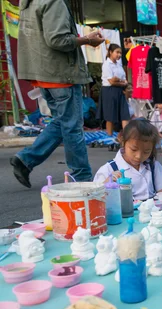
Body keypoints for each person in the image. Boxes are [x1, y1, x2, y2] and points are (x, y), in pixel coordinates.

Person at [10, 0, 105, 187]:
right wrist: (88, 40)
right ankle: (82, 177)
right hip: (60, 74)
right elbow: (58, 40)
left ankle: (25, 159)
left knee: (63, 122)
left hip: (45, 74)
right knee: (72, 127)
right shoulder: (53, 2)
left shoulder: (31, 2)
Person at [94, 119, 162, 201]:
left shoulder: (153, 166)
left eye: (146, 152)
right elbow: (95, 197)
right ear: (123, 142)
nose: (138, 156)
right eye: (134, 149)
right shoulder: (109, 169)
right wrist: (107, 184)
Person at [97, 44, 130, 137]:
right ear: (111, 52)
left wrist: (119, 81)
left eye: (120, 53)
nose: (119, 55)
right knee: (110, 116)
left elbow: (124, 79)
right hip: (109, 91)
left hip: (120, 91)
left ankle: (126, 136)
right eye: (117, 52)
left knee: (125, 114)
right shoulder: (107, 64)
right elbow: (111, 81)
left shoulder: (119, 65)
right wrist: (121, 81)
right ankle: (109, 136)